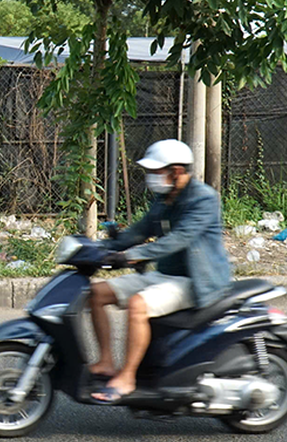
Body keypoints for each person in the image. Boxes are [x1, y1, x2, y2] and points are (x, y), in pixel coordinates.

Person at [87, 139, 232, 404]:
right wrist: (98, 249)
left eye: (156, 171)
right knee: (96, 293)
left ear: (176, 171)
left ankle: (127, 377)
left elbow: (179, 239)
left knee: (137, 305)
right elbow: (140, 231)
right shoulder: (163, 199)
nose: (151, 177)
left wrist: (132, 255)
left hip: (195, 280)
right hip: (164, 276)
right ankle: (107, 362)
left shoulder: (204, 199)